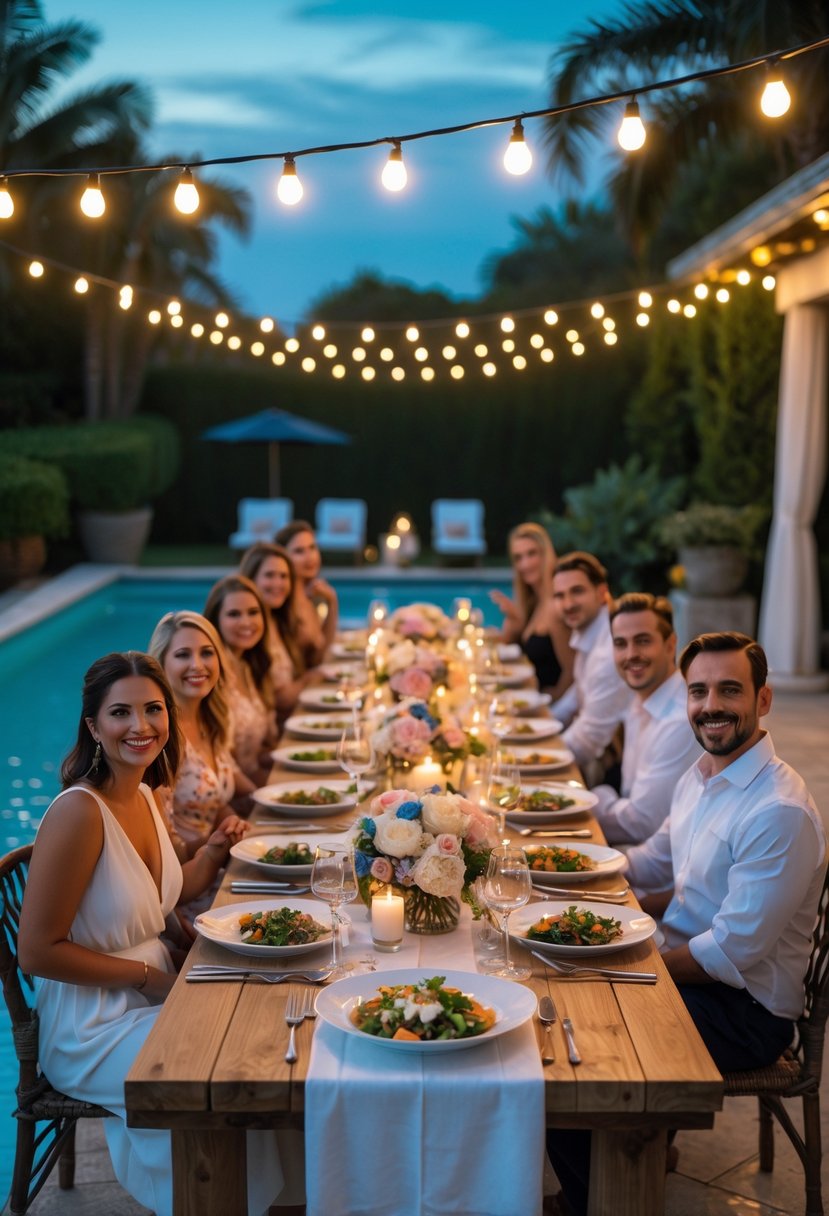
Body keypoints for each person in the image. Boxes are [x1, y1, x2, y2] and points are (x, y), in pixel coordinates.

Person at [547, 632, 827, 1216]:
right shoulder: (702, 773)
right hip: (695, 971)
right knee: (559, 1004)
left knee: (571, 1053)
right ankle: (616, 1168)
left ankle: (604, 1194)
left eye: (730, 690)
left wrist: (622, 961)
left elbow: (729, 953)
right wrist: (562, 877)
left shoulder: (777, 810)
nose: (710, 705)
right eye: (698, 691)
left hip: (746, 1011)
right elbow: (654, 861)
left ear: (764, 699)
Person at [16, 651, 260, 1216]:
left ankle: (259, 1199)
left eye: (153, 709)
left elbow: (161, 898)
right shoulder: (78, 812)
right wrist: (149, 977)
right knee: (217, 1073)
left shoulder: (148, 795)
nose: (141, 726)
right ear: (93, 725)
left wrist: (215, 857)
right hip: (92, 1023)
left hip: (155, 991)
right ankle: (208, 1197)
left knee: (257, 1044)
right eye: (120, 713)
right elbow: (35, 951)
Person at [590, 593, 701, 845]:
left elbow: (641, 823)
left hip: (664, 868)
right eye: (620, 643)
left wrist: (592, 800)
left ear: (670, 645)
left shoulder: (679, 719)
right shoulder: (639, 698)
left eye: (642, 641)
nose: (631, 654)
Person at [148, 610, 254, 855]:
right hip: (193, 881)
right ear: (161, 665)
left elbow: (216, 804)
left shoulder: (211, 720)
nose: (197, 665)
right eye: (183, 655)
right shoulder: (162, 739)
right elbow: (168, 854)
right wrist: (220, 841)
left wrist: (236, 825)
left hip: (223, 861)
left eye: (207, 652)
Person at [549, 551, 632, 780]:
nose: (568, 604)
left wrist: (535, 758)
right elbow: (578, 693)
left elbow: (586, 739)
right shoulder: (592, 633)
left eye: (577, 591)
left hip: (617, 772)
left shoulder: (608, 651)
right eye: (559, 595)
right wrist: (542, 720)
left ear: (602, 593)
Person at [204, 574, 277, 786]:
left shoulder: (247, 665)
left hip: (257, 780)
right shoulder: (211, 674)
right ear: (215, 621)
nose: (246, 622)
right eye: (234, 614)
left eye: (253, 612)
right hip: (233, 796)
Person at [489, 521, 573, 700]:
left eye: (531, 554)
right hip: (527, 698)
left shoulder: (555, 606)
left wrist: (551, 702)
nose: (525, 564)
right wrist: (513, 622)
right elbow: (508, 653)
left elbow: (571, 671)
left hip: (546, 711)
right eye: (518, 558)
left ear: (546, 554)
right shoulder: (533, 602)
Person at [238, 541, 312, 716]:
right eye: (269, 575)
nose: (278, 583)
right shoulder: (247, 632)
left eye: (284, 576)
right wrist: (312, 678)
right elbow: (278, 701)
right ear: (251, 579)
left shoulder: (277, 621)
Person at [275, 519, 339, 666]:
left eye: (312, 547)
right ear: (282, 558)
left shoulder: (308, 595)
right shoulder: (282, 603)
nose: (310, 557)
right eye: (299, 551)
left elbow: (321, 650)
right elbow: (315, 660)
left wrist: (332, 601)